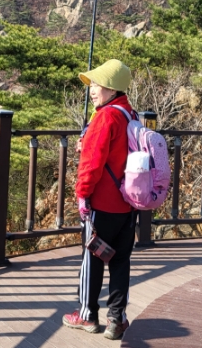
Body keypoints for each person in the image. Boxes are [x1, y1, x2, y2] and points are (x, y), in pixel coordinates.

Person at [62, 59, 135, 340]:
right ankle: (117, 318)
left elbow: (92, 163)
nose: (92, 90)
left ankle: (87, 315)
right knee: (120, 260)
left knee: (92, 258)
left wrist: (82, 194)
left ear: (112, 88)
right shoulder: (129, 113)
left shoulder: (104, 117)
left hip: (102, 202)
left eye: (97, 85)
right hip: (128, 202)